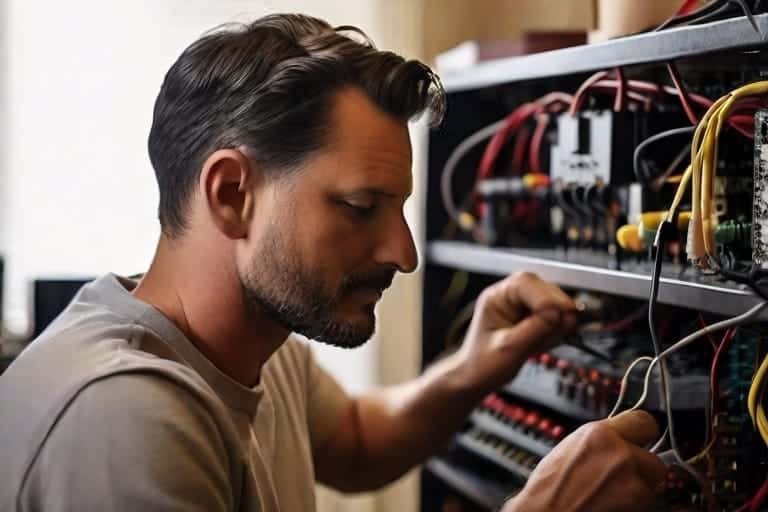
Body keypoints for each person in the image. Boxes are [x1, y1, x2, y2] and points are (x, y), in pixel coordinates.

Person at [0, 13, 667, 511]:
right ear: (232, 194)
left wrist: (471, 369)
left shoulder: (257, 339)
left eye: (398, 209)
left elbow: (353, 442)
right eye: (359, 206)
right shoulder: (123, 418)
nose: (403, 255)